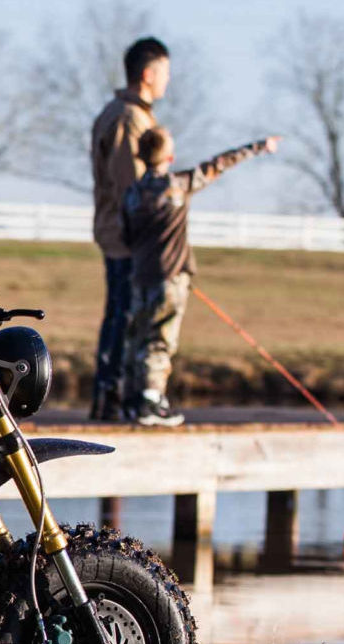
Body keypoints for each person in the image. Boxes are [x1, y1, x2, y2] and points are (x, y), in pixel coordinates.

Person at [119, 127, 279, 426]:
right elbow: (220, 163)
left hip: (140, 277)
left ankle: (130, 400)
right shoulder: (179, 185)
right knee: (160, 339)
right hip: (170, 278)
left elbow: (126, 236)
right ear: (169, 156)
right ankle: (152, 402)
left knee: (137, 338)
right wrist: (259, 146)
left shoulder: (131, 195)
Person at [88, 37, 171, 422]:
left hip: (119, 232)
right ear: (148, 74)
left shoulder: (129, 114)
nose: (168, 81)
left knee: (122, 314)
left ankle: (114, 398)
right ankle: (111, 398)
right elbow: (130, 187)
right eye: (166, 72)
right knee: (123, 316)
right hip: (124, 237)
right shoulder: (128, 118)